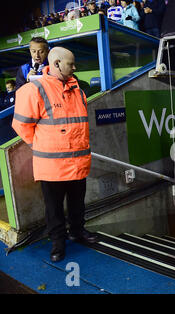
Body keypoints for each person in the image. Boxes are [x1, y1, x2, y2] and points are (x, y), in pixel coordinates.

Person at [12, 47, 98, 263]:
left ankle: (78, 231)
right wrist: (42, 145)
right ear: (57, 64)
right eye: (71, 64)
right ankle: (58, 242)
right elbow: (21, 125)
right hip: (52, 165)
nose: (75, 67)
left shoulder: (77, 88)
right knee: (54, 208)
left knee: (78, 203)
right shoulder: (35, 89)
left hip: (78, 162)